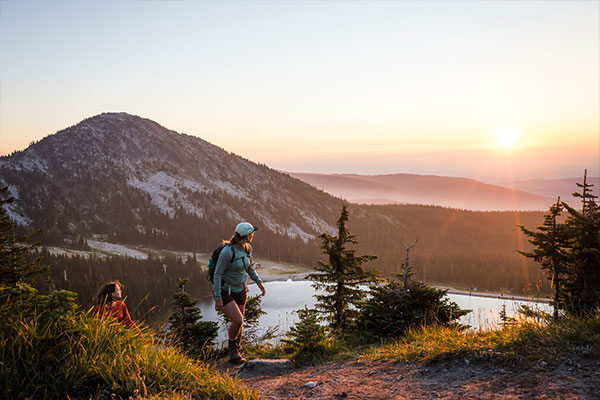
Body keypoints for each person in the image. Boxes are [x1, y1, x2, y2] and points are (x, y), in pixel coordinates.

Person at [213, 222, 266, 363]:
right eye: (251, 234)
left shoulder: (247, 248)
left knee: (239, 323)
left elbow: (249, 268)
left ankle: (237, 350)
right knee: (238, 320)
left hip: (241, 290)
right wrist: (218, 298)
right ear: (247, 235)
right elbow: (217, 274)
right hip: (226, 291)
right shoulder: (227, 252)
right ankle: (232, 349)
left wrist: (259, 283)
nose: (253, 235)